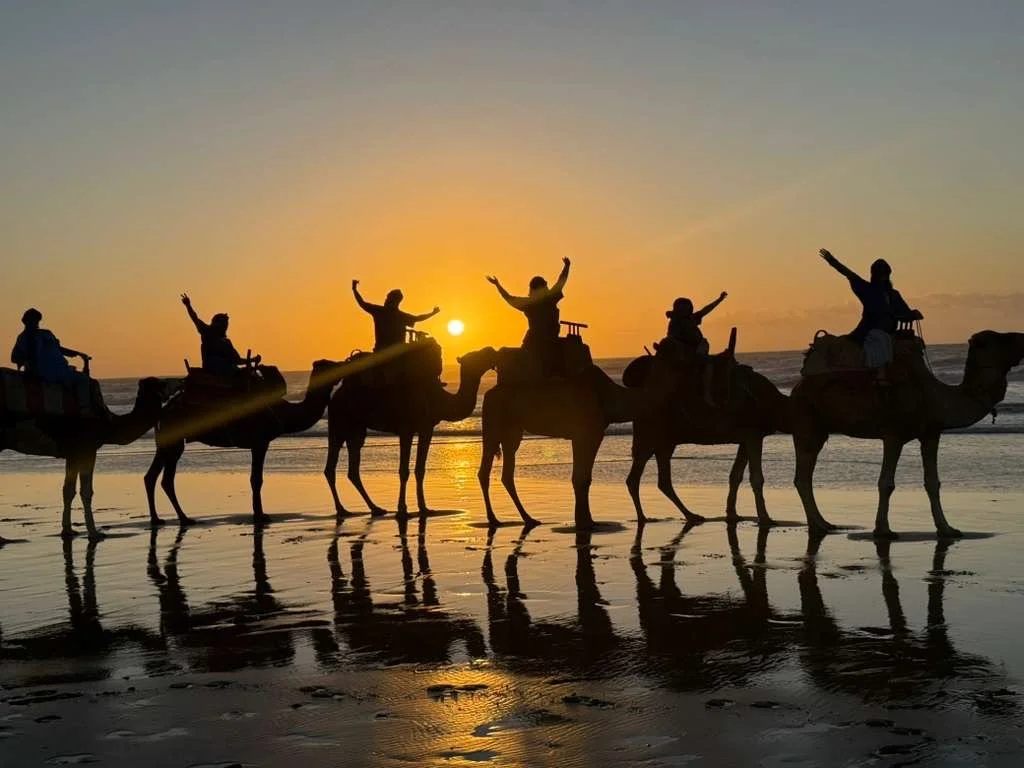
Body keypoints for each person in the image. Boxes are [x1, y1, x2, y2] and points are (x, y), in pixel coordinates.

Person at [487, 258, 571, 373]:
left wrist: (497, 285)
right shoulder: (549, 299)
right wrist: (567, 266)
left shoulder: (532, 303)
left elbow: (509, 298)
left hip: (536, 341)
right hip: (547, 340)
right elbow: (561, 281)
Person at [665, 292, 728, 405]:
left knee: (710, 358)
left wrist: (719, 300)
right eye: (687, 308)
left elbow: (705, 310)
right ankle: (707, 394)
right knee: (709, 365)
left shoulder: (691, 319)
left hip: (697, 352)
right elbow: (672, 340)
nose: (690, 310)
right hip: (687, 355)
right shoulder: (675, 322)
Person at [352, 281, 440, 352]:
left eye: (388, 298)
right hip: (388, 353)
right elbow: (418, 318)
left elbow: (362, 303)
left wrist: (354, 289)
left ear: (394, 301)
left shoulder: (380, 312)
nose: (385, 300)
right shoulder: (398, 315)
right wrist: (432, 313)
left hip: (388, 353)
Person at [10, 308, 90, 386]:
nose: (35, 324)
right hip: (45, 373)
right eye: (33, 321)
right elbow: (14, 358)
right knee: (84, 380)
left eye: (37, 321)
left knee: (80, 378)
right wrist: (27, 361)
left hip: (60, 370)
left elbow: (59, 349)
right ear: (25, 322)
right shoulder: (23, 338)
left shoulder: (46, 333)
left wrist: (78, 353)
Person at [180, 294, 253, 376]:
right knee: (236, 372)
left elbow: (237, 360)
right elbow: (195, 319)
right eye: (222, 324)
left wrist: (251, 360)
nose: (224, 327)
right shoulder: (207, 332)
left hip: (230, 370)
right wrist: (188, 305)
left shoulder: (227, 342)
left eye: (226, 324)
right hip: (215, 370)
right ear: (216, 324)